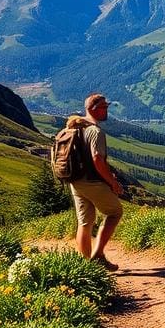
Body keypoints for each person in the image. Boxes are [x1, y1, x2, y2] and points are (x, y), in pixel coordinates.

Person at [68, 92, 124, 271]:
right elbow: (97, 158)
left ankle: (86, 267)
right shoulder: (95, 131)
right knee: (115, 212)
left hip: (75, 180)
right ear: (94, 110)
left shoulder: (75, 127)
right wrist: (112, 182)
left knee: (84, 223)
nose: (106, 110)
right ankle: (98, 254)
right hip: (92, 181)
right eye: (104, 107)